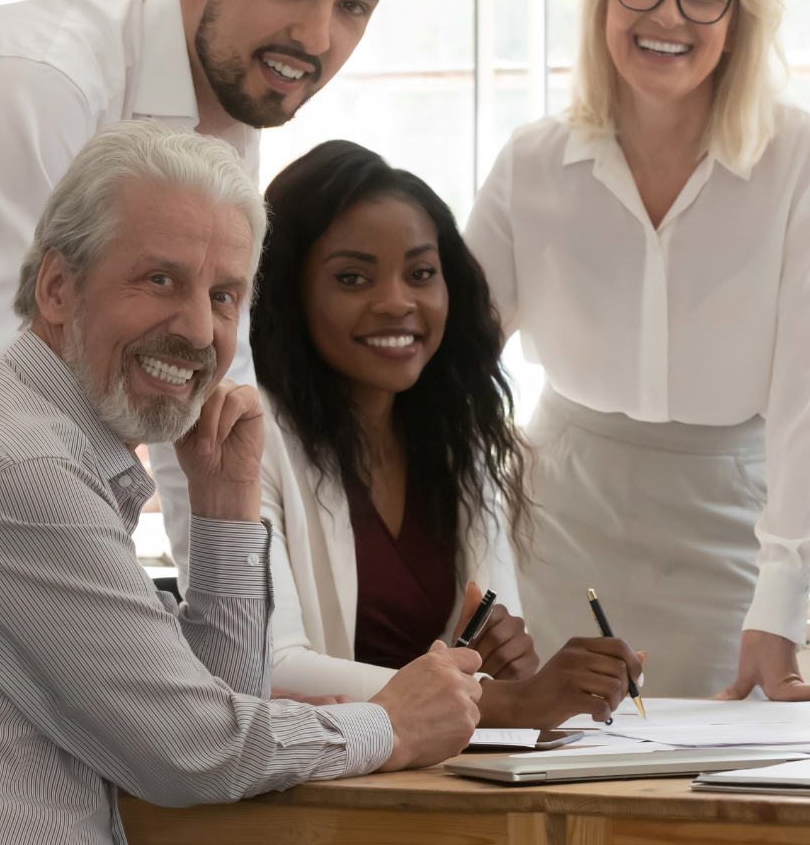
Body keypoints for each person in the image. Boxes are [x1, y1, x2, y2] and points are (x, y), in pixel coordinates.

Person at [0, 124, 485, 845]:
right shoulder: (19, 471)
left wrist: (224, 511)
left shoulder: (42, 444)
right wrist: (394, 724)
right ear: (58, 288)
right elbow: (193, 750)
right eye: (160, 280)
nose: (196, 328)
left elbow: (216, 711)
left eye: (223, 295)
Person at [0, 0, 413, 577]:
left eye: (352, 6)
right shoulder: (36, 91)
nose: (315, 34)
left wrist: (258, 645)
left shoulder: (230, 118)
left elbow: (207, 408)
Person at [465, 0, 810, 699]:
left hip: (729, 534)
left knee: (702, 798)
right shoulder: (531, 163)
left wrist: (781, 610)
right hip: (555, 520)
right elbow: (448, 378)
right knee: (554, 793)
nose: (666, 15)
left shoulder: (807, 161)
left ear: (739, 14)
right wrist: (475, 560)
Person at [253, 140, 643, 725]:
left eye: (421, 273)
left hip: (439, 774)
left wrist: (505, 663)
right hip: (318, 779)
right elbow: (270, 666)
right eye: (353, 278)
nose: (396, 301)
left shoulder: (458, 436)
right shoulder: (250, 432)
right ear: (289, 290)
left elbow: (495, 652)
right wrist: (502, 700)